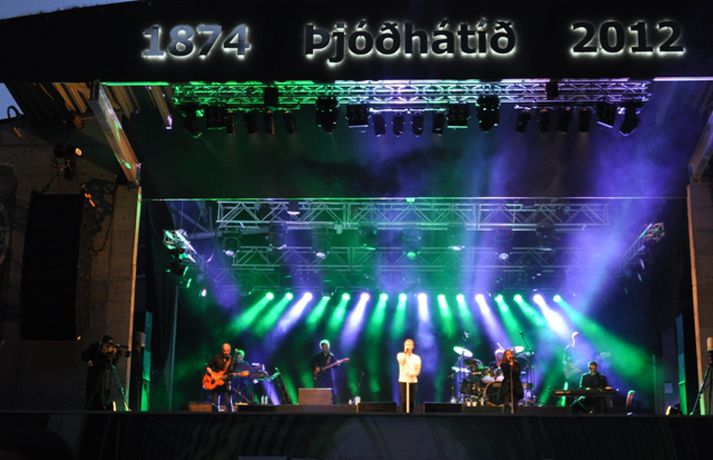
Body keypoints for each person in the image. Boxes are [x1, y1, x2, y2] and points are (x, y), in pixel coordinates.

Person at [81, 335, 129, 410]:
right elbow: (84, 354)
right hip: (93, 375)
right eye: (107, 345)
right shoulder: (96, 347)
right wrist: (89, 361)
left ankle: (99, 410)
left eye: (109, 346)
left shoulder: (108, 353)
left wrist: (116, 356)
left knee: (99, 396)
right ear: (103, 343)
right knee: (92, 394)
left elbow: (110, 365)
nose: (108, 348)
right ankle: (88, 412)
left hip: (101, 375)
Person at [205, 343, 236, 412]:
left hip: (226, 383)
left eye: (228, 351)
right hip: (215, 383)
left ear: (230, 350)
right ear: (222, 350)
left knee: (228, 403)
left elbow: (232, 373)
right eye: (224, 351)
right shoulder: (216, 357)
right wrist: (212, 374)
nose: (226, 352)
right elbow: (208, 366)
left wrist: (236, 374)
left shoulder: (232, 360)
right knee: (214, 403)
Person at [396, 338, 421, 413]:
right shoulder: (400, 355)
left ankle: (411, 415)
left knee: (411, 400)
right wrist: (405, 353)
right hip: (403, 381)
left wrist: (412, 374)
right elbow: (402, 362)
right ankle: (404, 416)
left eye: (409, 345)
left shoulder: (416, 357)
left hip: (413, 381)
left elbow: (418, 370)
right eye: (406, 344)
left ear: (413, 346)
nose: (408, 346)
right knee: (404, 400)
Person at [311, 339, 339, 403]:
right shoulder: (318, 356)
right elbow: (311, 364)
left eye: (326, 347)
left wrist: (337, 364)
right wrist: (316, 368)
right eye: (323, 347)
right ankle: (316, 403)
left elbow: (335, 366)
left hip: (328, 375)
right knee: (317, 389)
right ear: (321, 347)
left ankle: (332, 403)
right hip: (319, 376)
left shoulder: (331, 356)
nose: (325, 348)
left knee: (331, 389)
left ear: (328, 347)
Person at [499, 348, 524, 413]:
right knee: (506, 402)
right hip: (507, 384)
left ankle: (514, 415)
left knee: (515, 403)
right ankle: (505, 415)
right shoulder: (503, 364)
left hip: (516, 384)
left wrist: (512, 365)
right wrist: (510, 365)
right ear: (505, 356)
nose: (509, 355)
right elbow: (506, 373)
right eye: (507, 354)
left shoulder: (517, 364)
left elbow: (517, 373)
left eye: (510, 354)